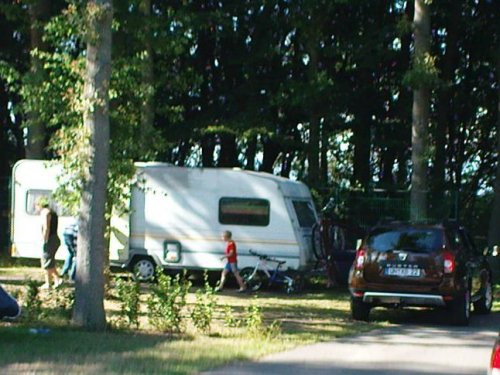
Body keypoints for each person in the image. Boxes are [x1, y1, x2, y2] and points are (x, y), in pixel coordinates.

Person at [36, 197, 62, 290]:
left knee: (46, 261)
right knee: (50, 261)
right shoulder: (52, 212)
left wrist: (44, 240)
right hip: (55, 238)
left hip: (50, 239)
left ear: (39, 205)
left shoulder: (45, 212)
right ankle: (57, 279)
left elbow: (46, 227)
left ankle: (48, 283)